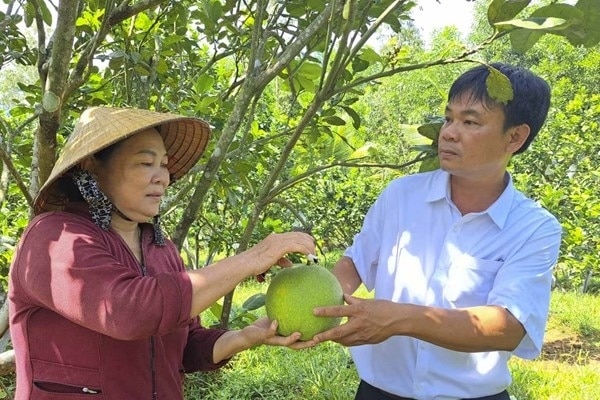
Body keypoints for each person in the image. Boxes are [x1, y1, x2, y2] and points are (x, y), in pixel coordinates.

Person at [8, 106, 316, 399]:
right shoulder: (55, 238)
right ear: (92, 167)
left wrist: (245, 337)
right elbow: (128, 311)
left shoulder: (160, 247)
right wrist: (253, 258)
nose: (162, 177)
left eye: (165, 165)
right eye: (145, 163)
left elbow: (184, 346)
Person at [312, 63, 562, 400]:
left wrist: (400, 319)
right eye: (448, 118)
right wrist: (312, 299)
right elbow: (356, 263)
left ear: (515, 137)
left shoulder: (534, 228)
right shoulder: (401, 196)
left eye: (470, 122)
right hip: (379, 392)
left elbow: (508, 327)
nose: (448, 132)